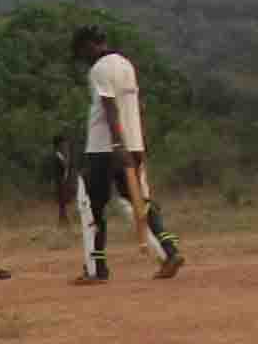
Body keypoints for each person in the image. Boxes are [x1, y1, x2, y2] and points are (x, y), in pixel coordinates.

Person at [66, 26, 181, 281]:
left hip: (105, 149)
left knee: (92, 207)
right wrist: (134, 145)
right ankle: (170, 251)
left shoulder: (100, 69)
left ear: (89, 45)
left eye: (82, 52)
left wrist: (117, 145)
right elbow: (136, 106)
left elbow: (110, 107)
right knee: (141, 201)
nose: (83, 59)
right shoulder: (126, 65)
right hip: (133, 144)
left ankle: (97, 269)